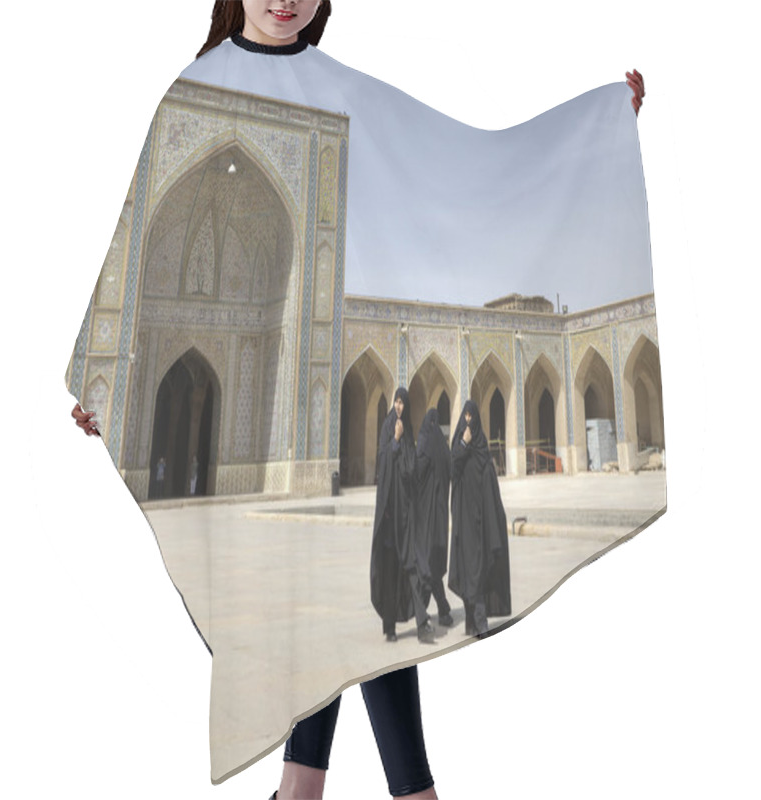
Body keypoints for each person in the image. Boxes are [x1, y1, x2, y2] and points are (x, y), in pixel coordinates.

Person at [70, 1, 647, 796]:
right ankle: (380, 790)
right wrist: (93, 382)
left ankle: (315, 791)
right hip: (213, 330)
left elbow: (457, 156)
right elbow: (125, 244)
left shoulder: (340, 88)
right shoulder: (189, 87)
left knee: (367, 613)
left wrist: (599, 125)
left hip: (315, 348)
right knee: (362, 616)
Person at [371, 387, 435, 645]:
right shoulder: (389, 429)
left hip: (405, 517)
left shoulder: (408, 433)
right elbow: (383, 463)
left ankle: (422, 623)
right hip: (389, 517)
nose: (399, 407)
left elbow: (410, 472)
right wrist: (395, 441)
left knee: (412, 568)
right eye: (396, 402)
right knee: (389, 571)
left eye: (402, 403)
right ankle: (389, 626)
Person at [449, 400, 511, 637]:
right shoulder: (459, 447)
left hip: (481, 522)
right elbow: (453, 466)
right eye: (464, 416)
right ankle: (473, 622)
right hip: (464, 521)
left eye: (470, 416)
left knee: (479, 568)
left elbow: (490, 486)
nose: (467, 420)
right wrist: (463, 444)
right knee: (468, 570)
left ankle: (479, 621)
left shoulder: (483, 449)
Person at [414, 408, 453, 628]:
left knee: (426, 565)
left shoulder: (425, 444)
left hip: (426, 518)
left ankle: (421, 613)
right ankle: (444, 610)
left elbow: (417, 473)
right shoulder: (442, 447)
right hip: (440, 517)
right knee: (434, 565)